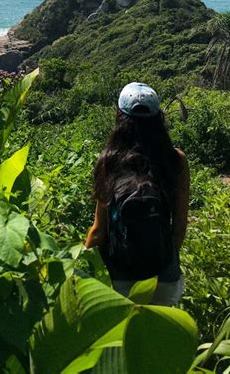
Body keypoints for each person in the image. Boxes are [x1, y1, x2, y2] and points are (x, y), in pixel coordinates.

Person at [85, 82, 190, 306]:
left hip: (119, 276)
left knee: (118, 339)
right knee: (159, 339)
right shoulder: (176, 160)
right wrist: (161, 259)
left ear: (119, 116)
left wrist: (80, 267)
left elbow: (98, 230)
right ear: (158, 117)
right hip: (164, 277)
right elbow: (179, 225)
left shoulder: (109, 161)